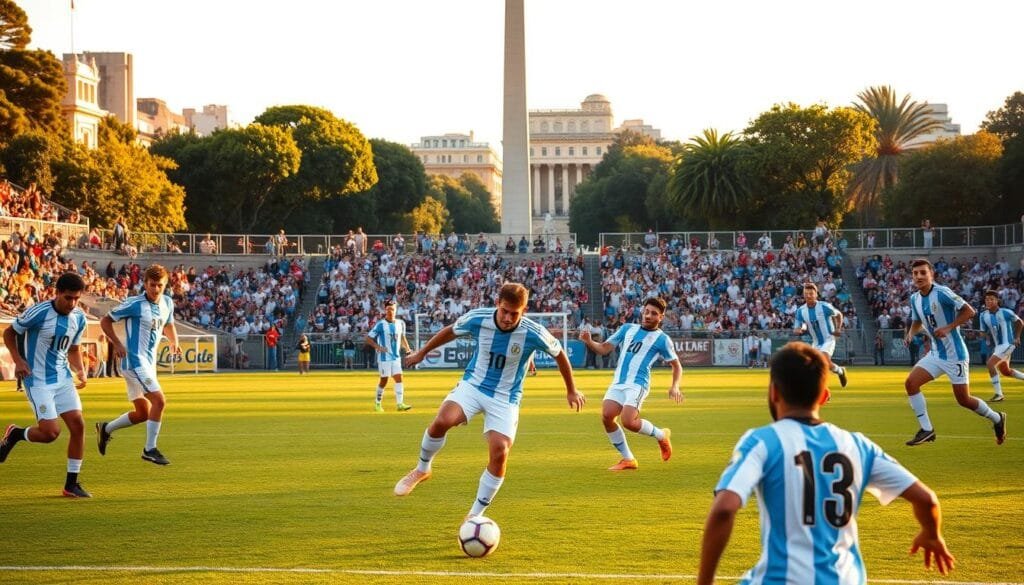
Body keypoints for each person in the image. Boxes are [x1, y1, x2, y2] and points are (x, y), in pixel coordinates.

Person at [697, 342, 955, 585]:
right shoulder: (858, 445)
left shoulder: (763, 441)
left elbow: (724, 509)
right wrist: (931, 534)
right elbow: (927, 499)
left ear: (774, 391)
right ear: (824, 395)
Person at [394, 283, 585, 519]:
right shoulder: (478, 319)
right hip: (473, 385)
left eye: (514, 314)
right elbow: (450, 331)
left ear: (523, 311)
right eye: (504, 311)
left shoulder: (533, 332)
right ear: (498, 304)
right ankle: (422, 469)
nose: (507, 318)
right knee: (443, 420)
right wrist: (422, 353)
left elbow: (560, 355)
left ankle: (475, 515)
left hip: (506, 398)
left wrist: (571, 390)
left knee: (500, 451)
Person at [0, 273, 91, 497]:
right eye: (68, 298)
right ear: (57, 292)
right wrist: (18, 360)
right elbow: (9, 332)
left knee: (78, 426)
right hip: (37, 380)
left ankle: (71, 484)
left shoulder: (79, 318)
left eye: (76, 299)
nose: (72, 304)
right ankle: (15, 435)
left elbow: (73, 349)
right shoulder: (39, 312)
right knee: (51, 433)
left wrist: (79, 369)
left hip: (63, 379)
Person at [903, 258, 1005, 446]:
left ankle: (997, 418)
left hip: (955, 355)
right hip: (935, 354)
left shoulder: (942, 293)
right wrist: (910, 334)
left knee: (964, 399)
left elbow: (969, 311)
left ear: (931, 274)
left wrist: (949, 327)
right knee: (910, 383)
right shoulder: (914, 298)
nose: (919, 276)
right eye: (915, 273)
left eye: (923, 272)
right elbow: (916, 321)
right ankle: (927, 430)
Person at [579, 296, 681, 471]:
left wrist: (675, 386)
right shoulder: (627, 329)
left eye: (654, 314)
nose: (648, 316)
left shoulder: (662, 339)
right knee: (607, 416)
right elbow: (604, 348)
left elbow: (676, 365)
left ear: (661, 317)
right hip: (618, 382)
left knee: (628, 421)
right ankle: (628, 459)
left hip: (638, 384)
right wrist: (589, 342)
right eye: (646, 311)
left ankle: (661, 435)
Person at [95, 264, 181, 466]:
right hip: (134, 361)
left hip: (148, 364)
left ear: (165, 285)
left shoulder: (167, 302)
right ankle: (149, 449)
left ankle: (105, 429)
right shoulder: (135, 303)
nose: (155, 289)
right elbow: (105, 321)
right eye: (152, 285)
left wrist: (174, 342)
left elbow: (168, 324)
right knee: (159, 401)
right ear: (145, 283)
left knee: (143, 412)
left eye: (159, 285)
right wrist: (117, 343)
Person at [792, 282, 848, 388]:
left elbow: (839, 314)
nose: (808, 296)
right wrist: (799, 329)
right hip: (816, 342)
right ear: (803, 295)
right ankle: (840, 371)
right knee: (817, 366)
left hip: (828, 339)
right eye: (806, 293)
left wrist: (838, 328)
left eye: (811, 293)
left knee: (823, 360)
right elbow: (800, 325)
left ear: (816, 294)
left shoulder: (824, 306)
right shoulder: (800, 311)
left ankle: (823, 389)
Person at [365, 299, 413, 412]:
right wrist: (379, 348)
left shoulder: (401, 323)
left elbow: (402, 337)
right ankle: (377, 403)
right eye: (388, 309)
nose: (391, 311)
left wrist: (408, 350)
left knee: (399, 378)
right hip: (384, 358)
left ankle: (400, 404)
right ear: (385, 310)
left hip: (396, 357)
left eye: (393, 309)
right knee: (384, 380)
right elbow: (368, 338)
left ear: (396, 310)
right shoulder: (381, 324)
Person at [979, 289, 1024, 402]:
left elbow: (1020, 322)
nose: (989, 301)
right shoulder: (983, 315)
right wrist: (984, 334)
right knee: (1006, 371)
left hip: (1008, 344)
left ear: (997, 300)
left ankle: (999, 394)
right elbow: (983, 333)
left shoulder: (1006, 312)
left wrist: (1017, 337)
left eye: (991, 299)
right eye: (987, 299)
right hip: (998, 346)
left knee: (990, 364)